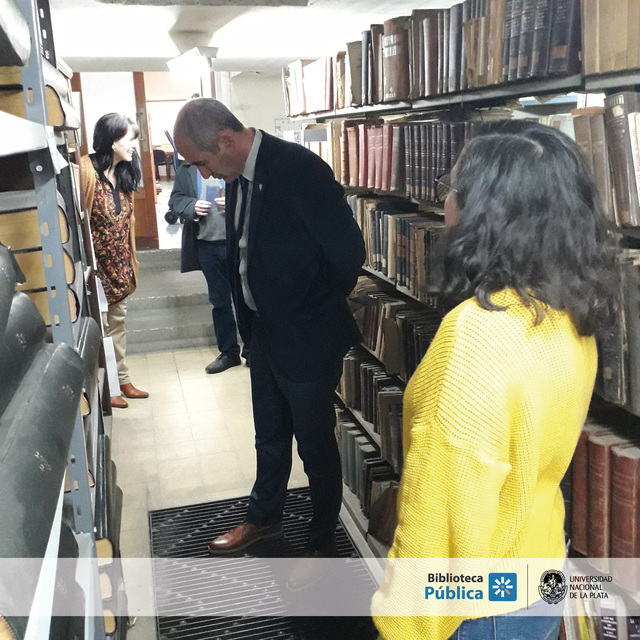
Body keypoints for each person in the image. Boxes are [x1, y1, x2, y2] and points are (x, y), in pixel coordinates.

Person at [371, 123, 620, 639]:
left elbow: (441, 515)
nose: (446, 206)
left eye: (453, 191)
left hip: (480, 607)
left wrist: (402, 629)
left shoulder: (477, 336)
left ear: (486, 213)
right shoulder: (569, 314)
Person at [173, 98, 366, 568]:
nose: (205, 173)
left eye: (202, 162)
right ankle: (265, 518)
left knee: (315, 443)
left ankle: (321, 539)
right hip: (263, 331)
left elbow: (348, 254)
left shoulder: (299, 169)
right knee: (269, 433)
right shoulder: (237, 175)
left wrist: (309, 312)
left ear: (225, 140)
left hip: (305, 334)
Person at [81, 113, 149, 409]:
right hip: (94, 273)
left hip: (120, 269)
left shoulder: (124, 173)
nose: (135, 144)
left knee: (118, 326)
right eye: (130, 138)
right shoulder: (85, 172)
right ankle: (106, 386)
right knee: (98, 331)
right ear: (112, 140)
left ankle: (122, 379)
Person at [168, 162, 245, 373]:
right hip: (206, 244)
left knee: (245, 298)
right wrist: (192, 206)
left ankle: (252, 351)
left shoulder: (236, 163)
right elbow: (175, 200)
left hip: (238, 244)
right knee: (219, 301)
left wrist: (232, 204)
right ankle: (229, 353)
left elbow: (252, 197)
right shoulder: (187, 169)